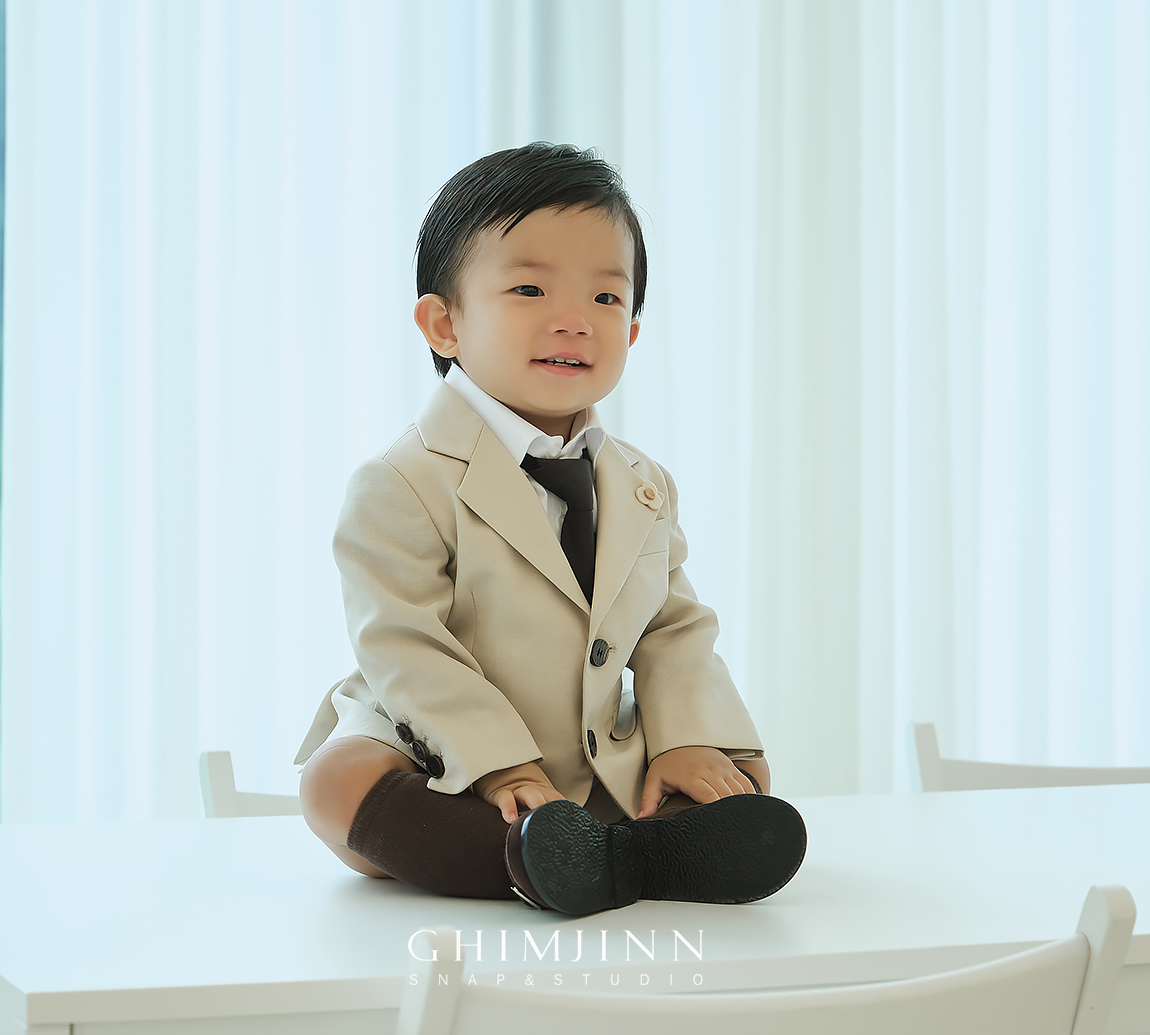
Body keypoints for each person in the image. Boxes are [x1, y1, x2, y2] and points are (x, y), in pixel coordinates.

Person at [294, 143, 805, 916]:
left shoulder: (642, 484)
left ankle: (619, 851)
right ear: (443, 324)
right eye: (529, 289)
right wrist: (496, 763)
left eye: (606, 298)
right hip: (437, 745)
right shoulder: (402, 480)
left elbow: (673, 630)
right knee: (336, 785)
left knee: (738, 770)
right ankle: (535, 859)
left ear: (633, 331)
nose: (573, 320)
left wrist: (687, 739)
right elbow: (404, 645)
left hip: (595, 751)